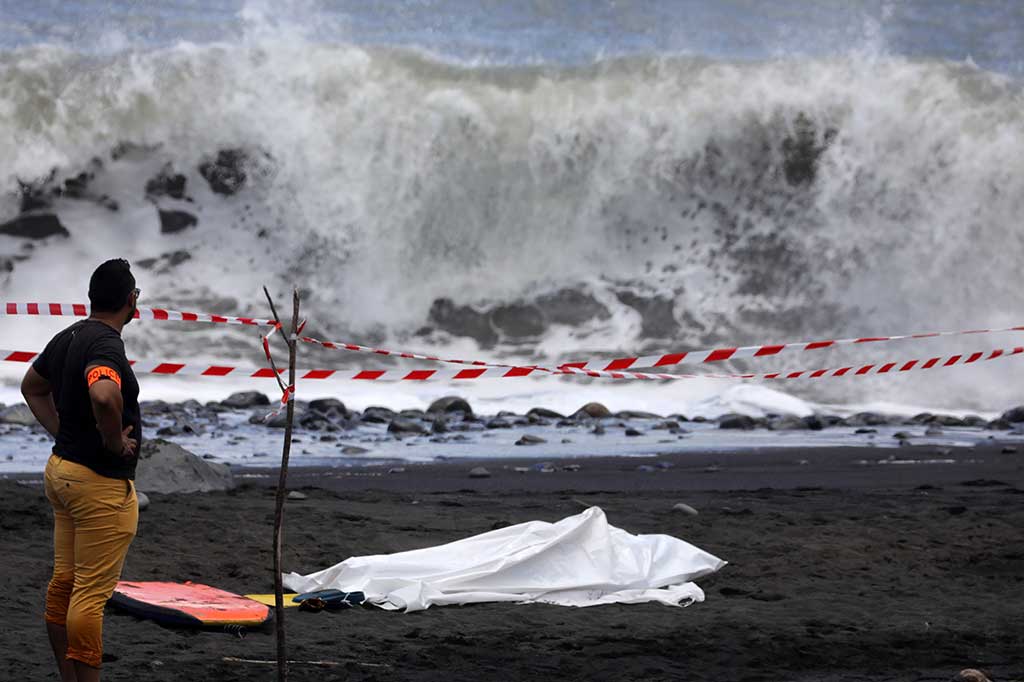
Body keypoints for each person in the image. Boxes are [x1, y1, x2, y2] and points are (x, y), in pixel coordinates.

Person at [21, 259, 142, 682]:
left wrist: (64, 432)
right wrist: (112, 442)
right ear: (130, 300)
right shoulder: (106, 345)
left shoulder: (68, 335)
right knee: (89, 596)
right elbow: (104, 394)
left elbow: (32, 386)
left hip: (63, 471)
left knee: (65, 583)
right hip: (98, 484)